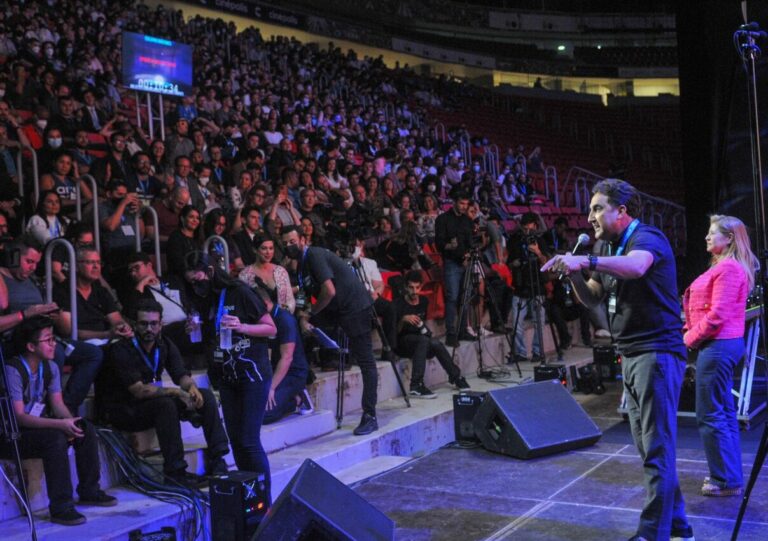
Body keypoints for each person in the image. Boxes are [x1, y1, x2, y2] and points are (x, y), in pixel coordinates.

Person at [542, 179, 692, 541]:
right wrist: (576, 274)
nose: (589, 216)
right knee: (648, 447)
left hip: (656, 353)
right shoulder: (609, 245)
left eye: (597, 208)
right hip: (633, 354)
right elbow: (594, 297)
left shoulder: (647, 239)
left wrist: (588, 258)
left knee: (656, 447)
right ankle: (678, 524)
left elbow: (638, 267)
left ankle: (650, 533)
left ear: (621, 211)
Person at [96, 299, 230, 485]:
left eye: (153, 324)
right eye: (143, 324)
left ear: (161, 325)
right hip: (124, 409)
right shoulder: (122, 349)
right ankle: (175, 472)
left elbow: (181, 375)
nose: (149, 329)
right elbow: (139, 391)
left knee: (205, 395)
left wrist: (191, 388)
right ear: (134, 325)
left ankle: (218, 461)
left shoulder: (164, 344)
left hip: (149, 404)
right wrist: (175, 393)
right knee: (166, 404)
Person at [0, 317, 116, 526]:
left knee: (84, 427)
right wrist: (59, 425)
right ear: (31, 346)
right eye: (48, 340)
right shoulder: (12, 370)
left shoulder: (50, 367)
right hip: (11, 435)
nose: (54, 344)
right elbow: (19, 417)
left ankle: (90, 490)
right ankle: (61, 506)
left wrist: (70, 421)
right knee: (54, 439)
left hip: (34, 427)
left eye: (54, 338)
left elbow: (57, 404)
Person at [184, 251, 277, 499]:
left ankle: (264, 498)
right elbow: (209, 339)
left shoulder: (239, 292)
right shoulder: (205, 301)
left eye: (198, 279)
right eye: (191, 282)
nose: (196, 285)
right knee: (236, 441)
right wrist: (194, 330)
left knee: (249, 440)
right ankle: (249, 496)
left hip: (252, 373)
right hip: (226, 376)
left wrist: (242, 326)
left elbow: (270, 328)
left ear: (211, 272)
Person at [683, 215, 757, 498]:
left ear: (728, 239)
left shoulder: (729, 269)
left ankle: (724, 480)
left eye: (712, 234)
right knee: (722, 413)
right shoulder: (724, 266)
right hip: (719, 346)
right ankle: (728, 476)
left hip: (718, 347)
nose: (706, 238)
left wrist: (688, 339)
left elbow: (717, 316)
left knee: (711, 414)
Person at [281, 225, 379, 436]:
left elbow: (328, 291)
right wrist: (300, 312)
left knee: (366, 362)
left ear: (303, 240)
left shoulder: (314, 255)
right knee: (297, 329)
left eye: (292, 241)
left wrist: (311, 314)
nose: (289, 246)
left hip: (355, 308)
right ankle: (301, 384)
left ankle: (370, 415)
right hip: (337, 310)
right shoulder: (301, 265)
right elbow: (304, 292)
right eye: (285, 243)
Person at [394, 271, 469, 398]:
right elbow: (393, 332)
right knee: (423, 340)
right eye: (411, 287)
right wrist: (403, 319)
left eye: (417, 287)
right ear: (406, 287)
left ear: (421, 287)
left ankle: (456, 377)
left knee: (435, 343)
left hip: (420, 341)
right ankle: (416, 385)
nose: (414, 291)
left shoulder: (423, 301)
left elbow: (425, 324)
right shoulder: (398, 303)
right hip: (402, 343)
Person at [252, 289, 313, 424]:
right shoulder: (264, 319)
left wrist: (271, 388)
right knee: (251, 409)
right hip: (275, 369)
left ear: (265, 303)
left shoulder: (284, 320)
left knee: (264, 415)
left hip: (293, 373)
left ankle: (297, 399)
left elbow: (287, 357)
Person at [507, 212, 549, 364]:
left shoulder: (540, 240)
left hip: (537, 284)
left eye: (529, 229)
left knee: (539, 321)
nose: (527, 232)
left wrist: (537, 252)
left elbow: (546, 263)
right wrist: (514, 264)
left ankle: (538, 351)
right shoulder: (515, 240)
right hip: (520, 284)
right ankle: (520, 352)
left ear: (535, 226)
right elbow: (509, 262)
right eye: (524, 229)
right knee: (516, 322)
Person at [434, 192, 474, 347]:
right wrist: (458, 254)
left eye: (466, 204)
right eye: (462, 203)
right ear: (455, 202)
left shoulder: (467, 221)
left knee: (465, 297)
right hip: (452, 262)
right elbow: (440, 244)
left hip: (467, 262)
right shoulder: (443, 219)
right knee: (452, 297)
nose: (464, 207)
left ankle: (463, 330)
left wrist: (468, 256)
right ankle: (451, 333)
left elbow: (470, 241)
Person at [238, 233, 295, 313]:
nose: (268, 252)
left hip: (282, 318)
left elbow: (290, 302)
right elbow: (243, 303)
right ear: (255, 250)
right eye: (264, 248)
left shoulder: (281, 271)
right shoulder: (245, 275)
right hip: (258, 321)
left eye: (271, 248)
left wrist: (278, 311)